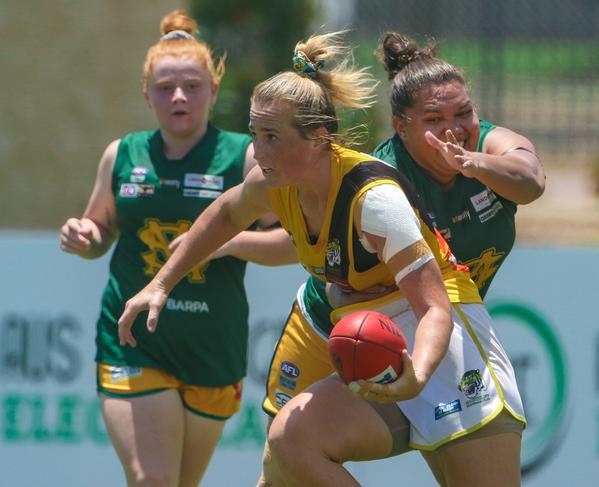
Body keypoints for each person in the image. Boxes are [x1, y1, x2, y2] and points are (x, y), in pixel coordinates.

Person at [117, 30, 526, 487]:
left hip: (439, 329)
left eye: (271, 136)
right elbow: (225, 212)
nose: (257, 151)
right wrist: (161, 284)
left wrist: (418, 377)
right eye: (254, 134)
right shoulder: (274, 181)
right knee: (289, 443)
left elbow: (433, 307)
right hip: (354, 320)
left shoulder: (374, 200)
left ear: (318, 138)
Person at [256, 30, 543, 484]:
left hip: (430, 324)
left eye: (463, 112)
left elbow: (531, 182)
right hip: (337, 321)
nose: (453, 128)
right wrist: (227, 247)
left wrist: (471, 163)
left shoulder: (486, 147)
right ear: (400, 126)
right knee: (284, 458)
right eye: (434, 118)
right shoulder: (381, 180)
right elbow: (309, 246)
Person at [58, 10, 275, 486]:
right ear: (146, 94)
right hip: (134, 340)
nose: (179, 96)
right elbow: (100, 228)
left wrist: (224, 242)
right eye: (165, 87)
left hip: (212, 349)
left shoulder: (245, 156)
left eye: (193, 85)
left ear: (214, 91)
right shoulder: (123, 154)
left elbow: (291, 244)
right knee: (152, 479)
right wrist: (85, 236)